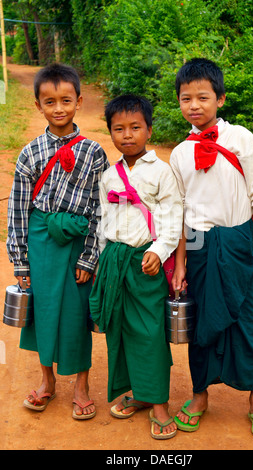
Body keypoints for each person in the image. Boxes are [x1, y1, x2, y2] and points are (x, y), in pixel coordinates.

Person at [170, 58, 253, 438]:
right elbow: (178, 212)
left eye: (203, 97)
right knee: (200, 322)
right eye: (186, 98)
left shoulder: (241, 139)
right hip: (198, 245)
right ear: (179, 103)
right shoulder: (180, 153)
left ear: (221, 99)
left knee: (248, 320)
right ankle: (200, 395)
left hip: (237, 241)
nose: (194, 105)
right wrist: (180, 264)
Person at [6, 63, 109, 419]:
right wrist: (20, 261)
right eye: (50, 102)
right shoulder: (30, 153)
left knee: (77, 312)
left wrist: (90, 257)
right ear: (38, 105)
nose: (59, 108)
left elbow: (101, 208)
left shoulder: (95, 153)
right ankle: (47, 381)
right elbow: (18, 211)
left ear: (79, 101)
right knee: (43, 312)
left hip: (78, 243)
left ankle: (81, 385)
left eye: (66, 100)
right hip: (40, 242)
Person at [89, 94, 183, 439]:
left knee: (149, 331)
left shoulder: (162, 171)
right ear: (110, 132)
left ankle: (159, 402)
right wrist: (99, 261)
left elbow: (173, 218)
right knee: (121, 330)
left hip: (146, 263)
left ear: (149, 129)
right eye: (118, 129)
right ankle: (140, 394)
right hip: (114, 261)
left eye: (135, 127)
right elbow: (102, 219)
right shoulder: (108, 175)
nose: (127, 135)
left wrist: (159, 251)